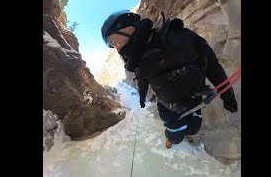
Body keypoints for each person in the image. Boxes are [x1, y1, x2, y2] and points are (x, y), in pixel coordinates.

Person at [101, 10, 238, 149]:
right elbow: (142, 81)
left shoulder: (176, 37)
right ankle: (171, 139)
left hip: (193, 99)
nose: (117, 49)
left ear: (129, 28)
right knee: (176, 135)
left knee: (192, 129)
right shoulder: (137, 62)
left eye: (115, 42)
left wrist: (228, 96)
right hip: (167, 107)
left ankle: (179, 134)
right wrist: (142, 97)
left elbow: (212, 66)